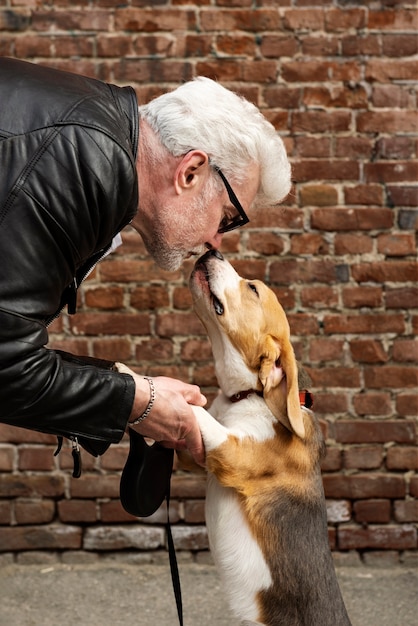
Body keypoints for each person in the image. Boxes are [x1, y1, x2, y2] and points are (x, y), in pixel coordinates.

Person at [0, 57, 291, 469]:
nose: (216, 241)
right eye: (227, 217)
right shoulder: (76, 168)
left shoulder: (92, 140)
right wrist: (137, 401)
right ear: (190, 171)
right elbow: (6, 363)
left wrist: (133, 391)